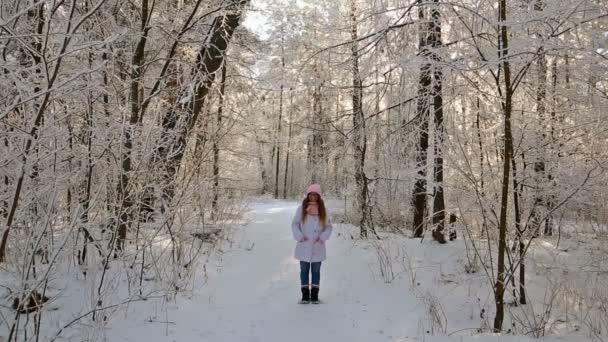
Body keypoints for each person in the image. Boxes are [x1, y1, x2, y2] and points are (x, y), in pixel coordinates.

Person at [291, 184, 332, 304]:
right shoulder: (301, 209)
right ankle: (305, 296)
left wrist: (323, 237)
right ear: (308, 195)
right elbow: (295, 224)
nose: (313, 197)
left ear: (318, 196)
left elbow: (328, 227)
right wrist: (299, 236)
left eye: (315, 194)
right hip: (304, 245)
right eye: (311, 194)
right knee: (304, 270)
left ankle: (314, 296)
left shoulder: (324, 210)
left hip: (318, 246)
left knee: (316, 271)